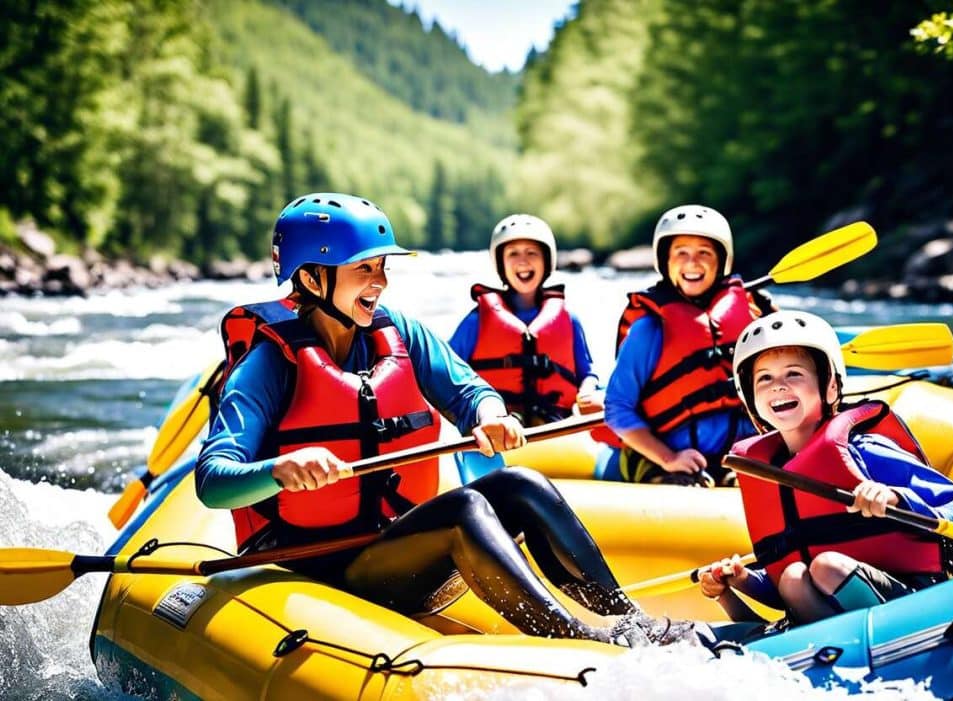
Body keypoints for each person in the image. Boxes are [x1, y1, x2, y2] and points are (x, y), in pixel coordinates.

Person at [196, 193, 694, 647]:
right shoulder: (266, 364)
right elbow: (213, 482)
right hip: (316, 566)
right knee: (463, 510)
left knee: (520, 483)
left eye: (382, 268)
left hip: (391, 547)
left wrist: (489, 413)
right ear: (311, 278)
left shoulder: (398, 332)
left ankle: (629, 622)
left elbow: (468, 389)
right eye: (364, 270)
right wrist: (280, 468)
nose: (380, 283)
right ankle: (580, 641)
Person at [698, 310, 953, 624]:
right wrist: (738, 582)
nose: (778, 386)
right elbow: (784, 585)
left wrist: (897, 497)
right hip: (831, 613)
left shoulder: (866, 452)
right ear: (749, 399)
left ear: (830, 386)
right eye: (765, 379)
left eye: (793, 374)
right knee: (793, 577)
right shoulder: (767, 472)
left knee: (828, 567)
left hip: (913, 600)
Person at [602, 204, 774, 486]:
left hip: (743, 457)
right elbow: (617, 408)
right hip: (668, 458)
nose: (692, 262)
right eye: (681, 252)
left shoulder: (756, 319)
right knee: (678, 482)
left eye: (704, 253)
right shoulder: (649, 330)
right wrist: (668, 457)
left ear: (721, 261)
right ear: (665, 262)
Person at [448, 214, 603, 428]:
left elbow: (588, 374)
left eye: (532, 253)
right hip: (498, 428)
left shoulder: (569, 319)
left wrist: (587, 391)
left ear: (547, 261)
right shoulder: (476, 321)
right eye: (513, 253)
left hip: (555, 427)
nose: (523, 261)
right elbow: (445, 373)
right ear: (500, 263)